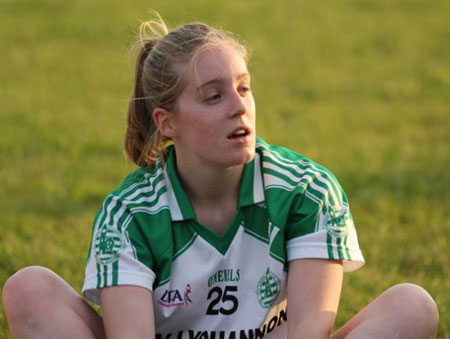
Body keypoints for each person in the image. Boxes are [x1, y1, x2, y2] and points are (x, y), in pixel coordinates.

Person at [2, 14, 439, 339]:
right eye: (213, 96)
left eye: (244, 88)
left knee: (411, 306)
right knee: (29, 290)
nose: (238, 106)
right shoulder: (129, 215)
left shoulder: (308, 191)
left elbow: (308, 329)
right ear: (166, 122)